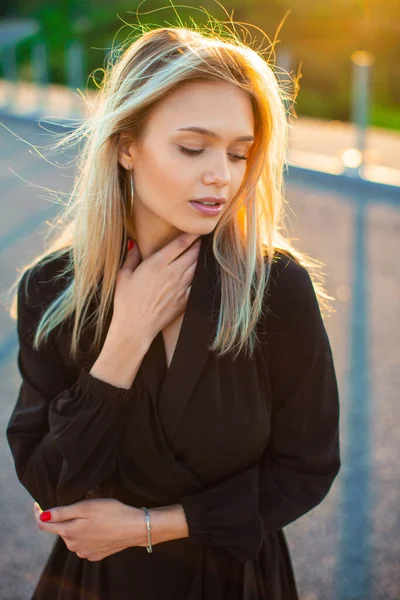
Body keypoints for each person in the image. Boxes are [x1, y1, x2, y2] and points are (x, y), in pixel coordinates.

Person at [6, 24, 340, 600]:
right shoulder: (51, 288)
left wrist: (148, 528)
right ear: (125, 144)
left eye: (239, 153)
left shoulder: (275, 286)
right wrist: (125, 339)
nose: (222, 175)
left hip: (236, 584)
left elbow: (306, 468)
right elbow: (50, 481)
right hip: (95, 585)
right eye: (193, 147)